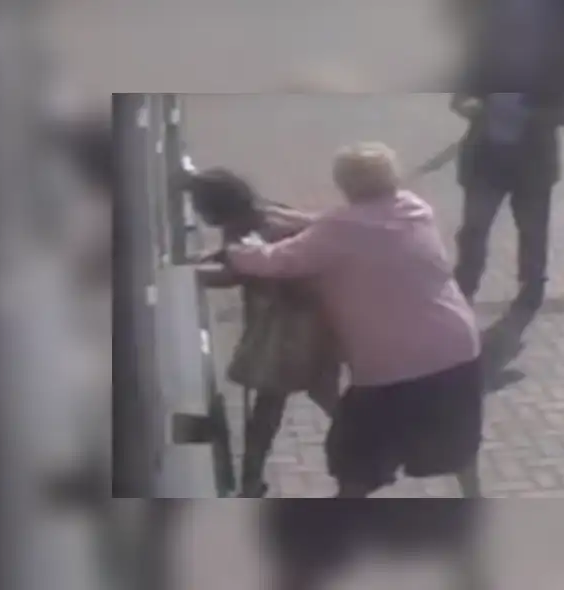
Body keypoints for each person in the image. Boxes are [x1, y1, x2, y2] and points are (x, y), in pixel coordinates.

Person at [223, 142, 484, 498]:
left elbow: (274, 262)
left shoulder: (338, 232)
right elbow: (358, 224)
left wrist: (239, 250)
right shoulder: (414, 208)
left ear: (345, 184)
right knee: (455, 443)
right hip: (456, 349)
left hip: (393, 366)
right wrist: (302, 221)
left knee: (356, 463)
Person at [189, 168, 341, 497]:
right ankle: (363, 443)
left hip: (290, 331)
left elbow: (239, 272)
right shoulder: (263, 213)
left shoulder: (252, 233)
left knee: (271, 407)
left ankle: (252, 479)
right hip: (314, 323)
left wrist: (184, 275)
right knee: (317, 395)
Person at [451, 92, 564, 311]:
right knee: (474, 228)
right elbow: (458, 100)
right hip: (486, 163)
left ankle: (531, 285)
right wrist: (467, 107)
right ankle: (465, 284)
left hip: (532, 167)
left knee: (532, 231)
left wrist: (530, 116)